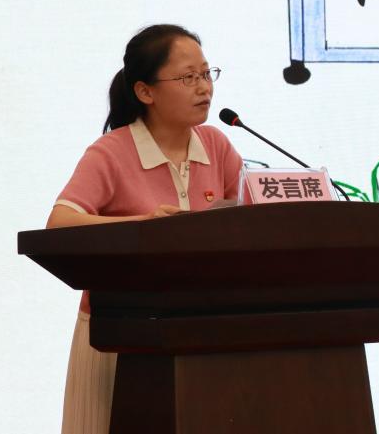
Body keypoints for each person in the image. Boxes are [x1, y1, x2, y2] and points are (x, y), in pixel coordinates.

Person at [46, 24, 243, 434]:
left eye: (207, 74)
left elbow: (245, 223)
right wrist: (145, 225)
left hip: (202, 329)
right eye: (187, 77)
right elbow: (59, 223)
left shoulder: (217, 145)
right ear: (145, 91)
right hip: (119, 332)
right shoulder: (111, 152)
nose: (204, 87)